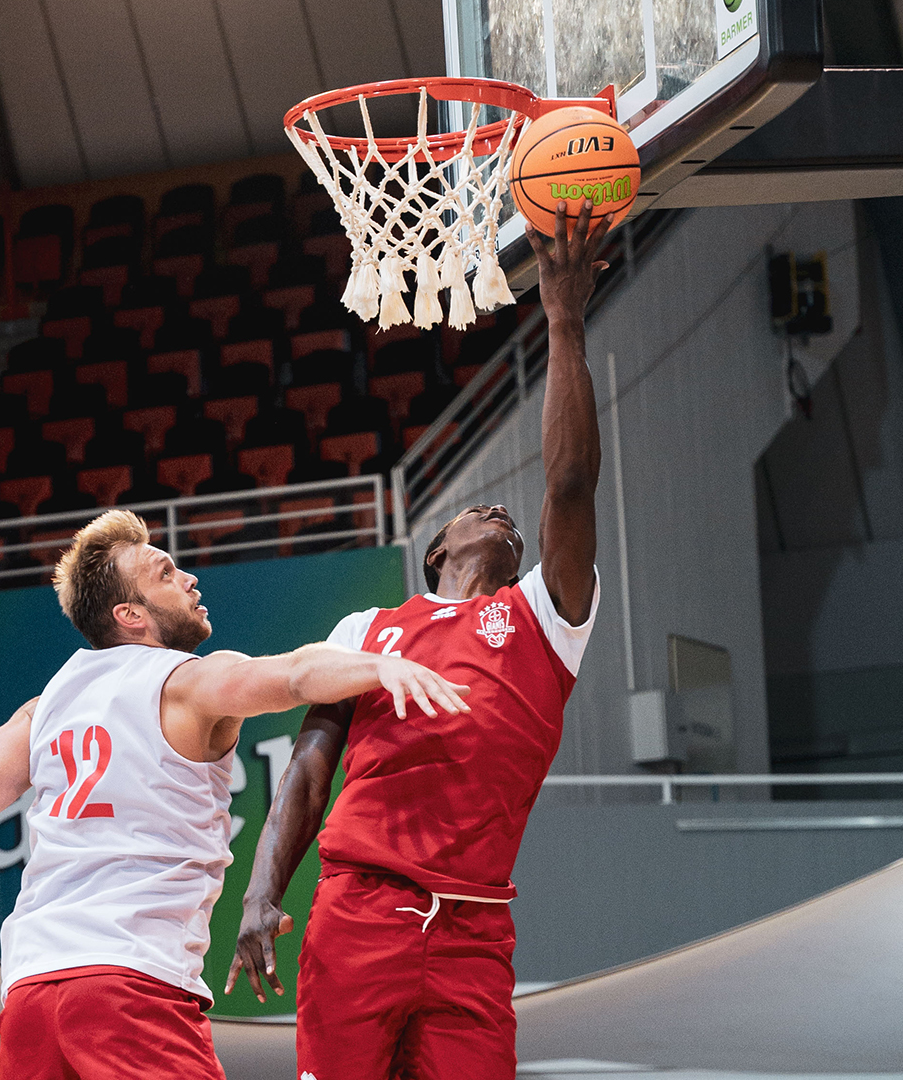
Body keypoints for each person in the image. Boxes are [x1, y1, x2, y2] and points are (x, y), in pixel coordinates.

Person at [228, 201, 611, 1079]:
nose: (501, 514)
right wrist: (259, 895)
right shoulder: (369, 630)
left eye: (511, 518)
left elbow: (573, 480)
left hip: (476, 928)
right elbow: (309, 769)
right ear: (438, 548)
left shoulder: (548, 617)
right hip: (362, 909)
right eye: (480, 510)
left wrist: (563, 319)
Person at [0, 509, 470, 1079]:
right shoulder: (186, 683)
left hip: (33, 991)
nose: (188, 578)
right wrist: (381, 666)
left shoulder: (44, 709)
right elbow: (293, 674)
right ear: (130, 614)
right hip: (129, 987)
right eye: (164, 572)